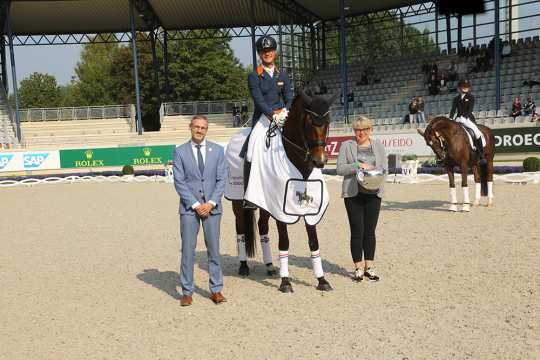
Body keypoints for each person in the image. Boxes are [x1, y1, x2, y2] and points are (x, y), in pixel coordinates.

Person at [173, 115, 227, 306]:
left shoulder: (218, 151)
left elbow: (222, 180)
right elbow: (179, 182)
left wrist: (211, 203)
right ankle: (187, 291)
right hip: (189, 209)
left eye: (203, 127)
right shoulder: (179, 152)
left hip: (213, 208)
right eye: (196, 127)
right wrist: (196, 205)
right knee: (188, 250)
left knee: (214, 250)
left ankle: (216, 289)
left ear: (207, 129)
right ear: (190, 127)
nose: (199, 130)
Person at [243, 35, 293, 208]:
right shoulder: (254, 76)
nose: (267, 53)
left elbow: (289, 96)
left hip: (284, 116)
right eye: (264, 51)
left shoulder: (283, 74)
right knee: (250, 150)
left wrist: (285, 111)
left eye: (270, 50)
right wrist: (273, 115)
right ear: (259, 54)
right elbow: (259, 101)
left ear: (275, 52)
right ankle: (249, 196)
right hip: (264, 118)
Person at [336, 116, 388, 282]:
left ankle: (369, 266)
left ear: (370, 130)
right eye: (358, 130)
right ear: (354, 131)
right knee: (357, 231)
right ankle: (358, 267)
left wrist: (373, 170)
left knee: (370, 231)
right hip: (353, 194)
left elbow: (385, 169)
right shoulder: (347, 146)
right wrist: (357, 165)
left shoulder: (378, 146)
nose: (361, 133)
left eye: (365, 130)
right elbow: (339, 169)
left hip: (374, 192)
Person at [449, 80, 487, 165]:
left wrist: (464, 117)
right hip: (458, 118)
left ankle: (481, 155)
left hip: (468, 118)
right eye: (463, 86)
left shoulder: (471, 97)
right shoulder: (456, 99)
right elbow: (453, 109)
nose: (465, 88)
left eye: (466, 86)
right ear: (459, 88)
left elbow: (470, 109)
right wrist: (451, 119)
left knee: (477, 133)